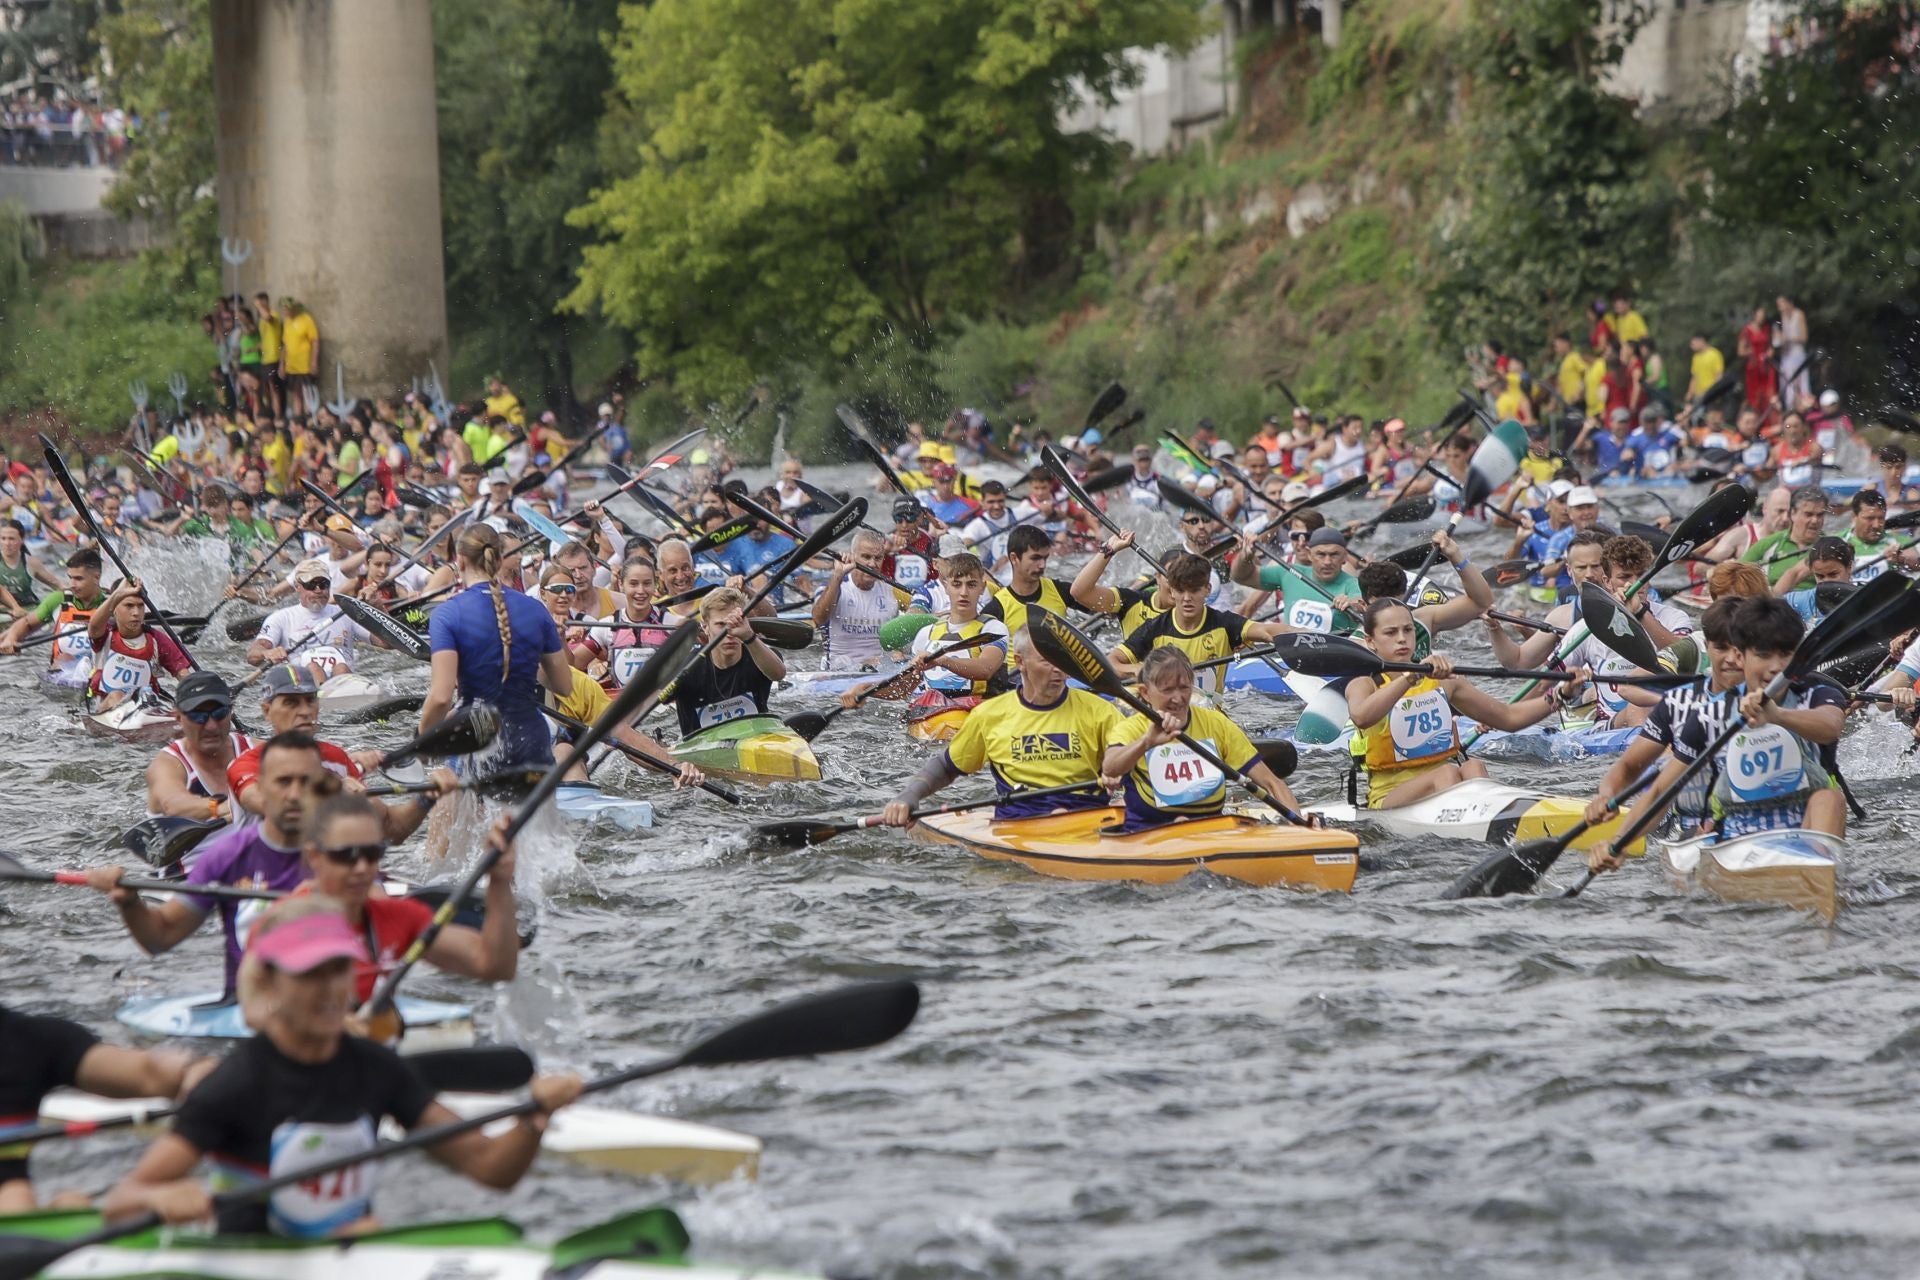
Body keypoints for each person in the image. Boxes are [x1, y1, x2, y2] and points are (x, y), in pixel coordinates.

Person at [100, 894, 581, 1238]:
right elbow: (122, 1202)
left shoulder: (377, 1069)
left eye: (338, 969)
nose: (330, 990)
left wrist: (533, 1118)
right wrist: (157, 1198)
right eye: (310, 973)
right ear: (270, 983)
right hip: (255, 1263)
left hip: (350, 1254)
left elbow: (490, 1168)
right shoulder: (236, 1084)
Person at [90, 732, 334, 997]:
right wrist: (130, 903)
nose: (295, 794)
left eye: (306, 782)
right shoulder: (229, 856)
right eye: (284, 782)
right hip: (250, 1007)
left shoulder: (347, 849)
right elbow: (160, 937)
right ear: (260, 787)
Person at [1348, 599, 1585, 809]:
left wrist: (1561, 696)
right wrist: (1410, 677)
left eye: (1408, 630)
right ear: (1371, 641)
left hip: (1446, 784)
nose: (1402, 639)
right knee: (1449, 772)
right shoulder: (1364, 684)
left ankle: (1493, 819)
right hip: (1390, 795)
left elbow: (1509, 717)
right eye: (1390, 633)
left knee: (1473, 767)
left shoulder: (1444, 682)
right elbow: (1362, 717)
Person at [878, 627, 1122, 825]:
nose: (1058, 669)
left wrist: (1122, 767)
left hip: (1087, 821)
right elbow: (947, 766)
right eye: (1046, 661)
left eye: (1062, 659)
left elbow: (1134, 757)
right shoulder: (989, 715)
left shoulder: (1101, 711)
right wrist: (908, 796)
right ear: (1020, 662)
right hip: (1018, 824)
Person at [293, 794, 518, 1005]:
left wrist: (499, 882)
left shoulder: (397, 916)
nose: (362, 868)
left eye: (372, 854)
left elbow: (495, 966)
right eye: (346, 855)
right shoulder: (288, 922)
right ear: (314, 857)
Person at [0, 1006, 205, 1212]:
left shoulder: (29, 1040)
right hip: (13, 1206)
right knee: (17, 1195)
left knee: (70, 1204)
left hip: (15, 1217)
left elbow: (148, 1074)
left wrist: (194, 1070)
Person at [1100, 648, 1307, 831]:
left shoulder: (1216, 724)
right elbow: (1110, 768)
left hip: (1211, 832)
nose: (1178, 698)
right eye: (1168, 690)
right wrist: (1146, 743)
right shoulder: (1131, 729)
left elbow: (1271, 784)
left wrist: (1300, 830)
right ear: (1145, 693)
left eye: (1184, 687)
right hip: (1148, 833)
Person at [422, 523, 573, 771]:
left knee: (450, 800)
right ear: (500, 559)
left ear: (459, 561)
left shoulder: (447, 613)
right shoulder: (536, 609)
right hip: (532, 737)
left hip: (477, 736)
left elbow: (440, 697)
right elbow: (564, 687)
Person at [1110, 553, 1284, 693]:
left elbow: (1267, 631)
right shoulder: (1154, 628)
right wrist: (1137, 670)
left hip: (1209, 717)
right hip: (1167, 717)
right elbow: (1112, 661)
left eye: (1194, 591)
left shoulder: (1224, 623)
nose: (1187, 599)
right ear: (1172, 590)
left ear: (1207, 589)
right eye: (1180, 591)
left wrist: (1306, 634)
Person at [893, 553, 1008, 723]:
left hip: (979, 714)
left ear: (982, 588)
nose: (963, 592)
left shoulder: (993, 629)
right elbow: (903, 688)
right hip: (935, 714)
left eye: (971, 585)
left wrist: (943, 660)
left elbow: (986, 669)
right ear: (946, 587)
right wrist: (864, 691)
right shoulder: (926, 634)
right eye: (956, 584)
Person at [663, 587, 784, 738]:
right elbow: (656, 698)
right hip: (702, 752)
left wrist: (749, 636)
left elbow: (778, 674)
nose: (730, 633)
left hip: (753, 745)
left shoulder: (758, 655)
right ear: (705, 627)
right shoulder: (687, 667)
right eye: (721, 625)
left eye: (736, 623)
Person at [981, 525, 1098, 670]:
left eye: (1045, 558)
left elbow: (1102, 610)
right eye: (1035, 558)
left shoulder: (1060, 590)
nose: (1042, 565)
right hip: (1017, 682)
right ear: (1014, 558)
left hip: (1058, 674)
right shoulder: (996, 609)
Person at [84, 576, 192, 713]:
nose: (136, 613)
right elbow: (93, 626)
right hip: (105, 708)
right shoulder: (104, 635)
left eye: (140, 606)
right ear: (115, 609)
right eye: (129, 606)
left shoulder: (156, 640)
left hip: (145, 709)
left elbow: (183, 675)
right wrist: (117, 595)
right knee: (116, 695)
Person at [0, 548, 107, 683]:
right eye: (70, 578)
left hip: (96, 671)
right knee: (65, 658)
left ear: (96, 577)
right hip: (61, 673)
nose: (72, 585)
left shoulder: (111, 604)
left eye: (78, 579)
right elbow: (26, 623)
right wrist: (11, 638)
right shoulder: (58, 599)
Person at [1231, 526, 1360, 635]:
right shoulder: (1289, 573)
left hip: (1336, 654)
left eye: (1334, 555)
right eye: (1320, 554)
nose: (1327, 562)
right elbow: (1241, 577)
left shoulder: (1352, 584)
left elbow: (1361, 603)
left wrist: (1352, 603)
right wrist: (1245, 556)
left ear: (1344, 557)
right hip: (1291, 652)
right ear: (1309, 555)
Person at [812, 529, 906, 671]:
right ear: (853, 557)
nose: (872, 564)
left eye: (877, 558)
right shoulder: (834, 586)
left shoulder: (892, 590)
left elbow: (920, 613)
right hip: (840, 671)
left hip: (880, 669)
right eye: (866, 557)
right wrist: (837, 576)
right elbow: (818, 618)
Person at [1741, 485, 1829, 586]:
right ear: (1793, 514)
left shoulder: (1831, 546)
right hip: (1773, 599)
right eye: (1808, 514)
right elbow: (1735, 574)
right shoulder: (1769, 543)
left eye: (1820, 515)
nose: (1815, 521)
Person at [1838, 489, 1916, 581]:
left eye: (1881, 518)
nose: (1876, 525)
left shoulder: (1900, 542)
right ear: (1854, 517)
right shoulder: (1837, 541)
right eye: (1869, 518)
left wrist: (1902, 559)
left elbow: (1917, 564)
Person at [1686, 333, 1725, 403]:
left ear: (1701, 341)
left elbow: (1718, 376)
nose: (1691, 346)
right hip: (1698, 395)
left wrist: (1717, 392)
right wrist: (1690, 393)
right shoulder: (1695, 357)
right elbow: (1694, 377)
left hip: (1710, 393)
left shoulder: (1714, 354)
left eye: (1693, 344)